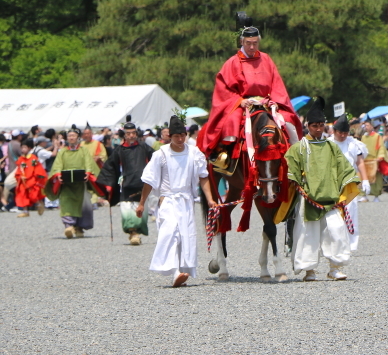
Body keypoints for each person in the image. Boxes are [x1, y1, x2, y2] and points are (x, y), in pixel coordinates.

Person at [197, 25, 302, 161]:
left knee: (289, 121)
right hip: (242, 103)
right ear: (242, 42)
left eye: (255, 43)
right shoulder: (232, 63)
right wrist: (239, 101)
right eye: (248, 43)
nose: (252, 47)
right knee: (231, 121)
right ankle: (224, 157)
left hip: (266, 103)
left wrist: (274, 101)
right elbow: (223, 89)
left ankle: (295, 159)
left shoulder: (266, 59)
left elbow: (277, 85)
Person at [285, 98, 360, 282]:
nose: (318, 129)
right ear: (307, 126)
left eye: (320, 125)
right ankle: (309, 271)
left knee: (336, 231)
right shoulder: (298, 149)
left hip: (331, 199)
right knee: (307, 235)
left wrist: (351, 183)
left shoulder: (331, 147)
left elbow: (345, 169)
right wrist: (297, 184)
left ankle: (335, 268)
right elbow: (291, 171)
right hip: (308, 199)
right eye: (314, 125)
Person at [136, 115, 215, 288]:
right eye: (176, 136)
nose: (180, 139)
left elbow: (203, 177)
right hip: (168, 199)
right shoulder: (161, 154)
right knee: (170, 232)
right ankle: (175, 272)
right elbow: (149, 180)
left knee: (184, 236)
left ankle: (179, 271)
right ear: (169, 136)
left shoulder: (195, 153)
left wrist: (209, 199)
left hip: (186, 200)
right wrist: (142, 202)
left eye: (182, 136)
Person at [97, 116, 155, 245]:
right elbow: (110, 167)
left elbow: (156, 160)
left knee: (141, 209)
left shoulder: (144, 147)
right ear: (125, 135)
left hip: (142, 185)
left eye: (134, 133)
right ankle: (132, 232)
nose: (131, 136)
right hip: (126, 184)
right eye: (128, 134)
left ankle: (137, 233)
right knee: (126, 210)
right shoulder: (119, 150)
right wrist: (108, 184)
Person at [46, 125, 103, 238]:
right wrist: (58, 174)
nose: (71, 138)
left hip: (81, 184)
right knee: (66, 203)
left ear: (78, 138)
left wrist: (88, 173)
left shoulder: (83, 151)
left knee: (83, 204)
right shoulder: (62, 152)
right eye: (69, 136)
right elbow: (57, 165)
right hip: (66, 184)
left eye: (73, 136)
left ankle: (79, 227)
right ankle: (69, 226)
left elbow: (88, 163)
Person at [329, 113, 371, 252]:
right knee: (332, 215)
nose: (342, 135)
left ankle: (351, 243)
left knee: (350, 213)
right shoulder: (328, 144)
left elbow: (360, 163)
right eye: (340, 132)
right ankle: (332, 243)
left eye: (345, 132)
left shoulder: (352, 144)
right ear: (334, 131)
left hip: (349, 183)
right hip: (332, 183)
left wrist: (365, 180)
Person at [14, 139, 47, 218]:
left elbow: (37, 169)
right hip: (23, 180)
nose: (23, 149)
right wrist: (19, 175)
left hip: (32, 179)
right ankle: (25, 211)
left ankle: (39, 204)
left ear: (30, 148)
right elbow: (19, 169)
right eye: (22, 148)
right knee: (22, 194)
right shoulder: (21, 159)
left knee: (33, 195)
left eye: (24, 147)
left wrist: (36, 177)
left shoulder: (33, 158)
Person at [361, 120, 388, 202]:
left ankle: (376, 196)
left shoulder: (377, 136)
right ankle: (364, 195)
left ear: (372, 126)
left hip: (374, 159)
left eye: (367, 125)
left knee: (376, 178)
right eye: (365, 126)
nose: (366, 127)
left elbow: (381, 147)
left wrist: (380, 156)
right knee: (364, 177)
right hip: (366, 159)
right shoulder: (363, 137)